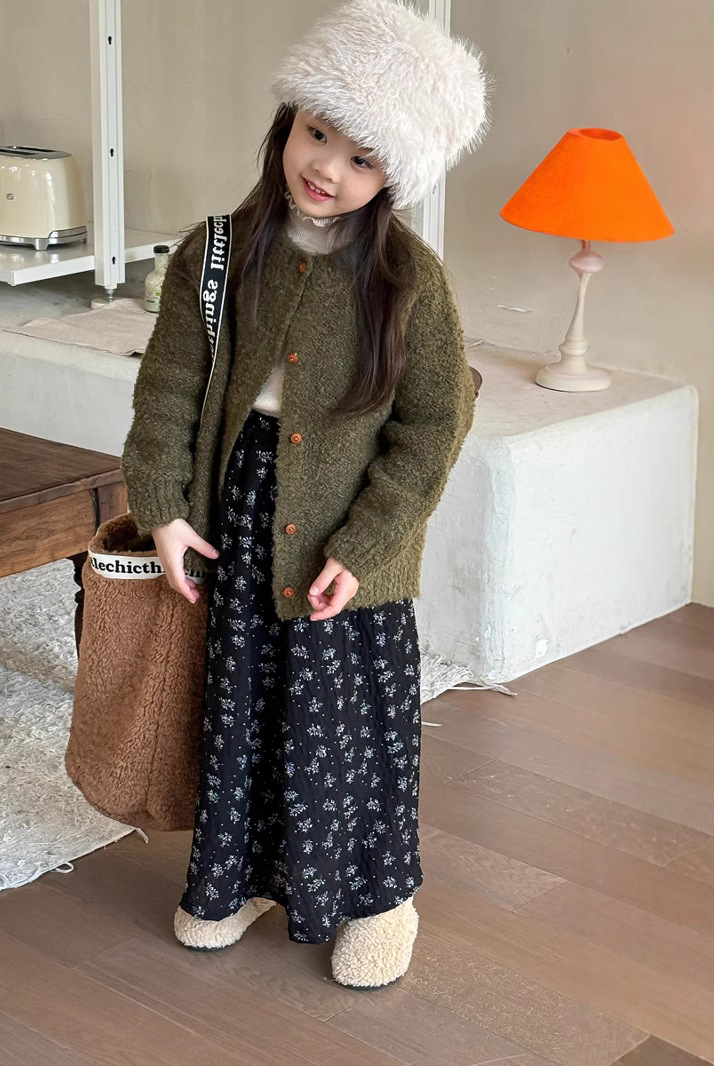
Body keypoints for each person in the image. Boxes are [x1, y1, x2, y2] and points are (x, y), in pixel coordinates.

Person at [120, 0, 487, 989]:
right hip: (241, 510)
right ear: (288, 120)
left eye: (362, 159)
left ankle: (377, 898)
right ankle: (240, 876)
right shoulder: (216, 250)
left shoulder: (410, 281)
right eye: (317, 133)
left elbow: (432, 428)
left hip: (345, 534)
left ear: (393, 177)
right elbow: (168, 387)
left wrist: (362, 546)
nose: (326, 168)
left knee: (345, 723)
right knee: (241, 705)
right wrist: (163, 507)